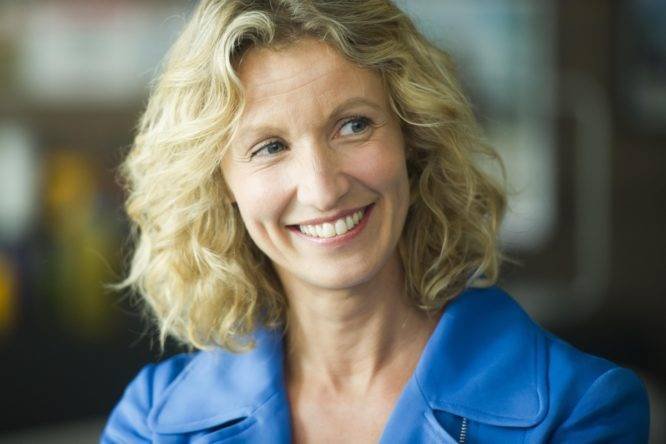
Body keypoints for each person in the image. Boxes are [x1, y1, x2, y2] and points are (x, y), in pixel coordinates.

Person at [101, 0, 650, 442]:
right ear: (221, 186)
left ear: (413, 137)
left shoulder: (580, 410)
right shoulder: (153, 421)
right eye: (269, 147)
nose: (322, 188)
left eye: (354, 125)